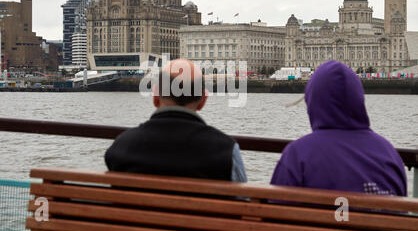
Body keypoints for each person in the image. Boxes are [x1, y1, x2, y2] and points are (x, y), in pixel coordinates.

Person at [271, 61, 407, 196]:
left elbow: (274, 209)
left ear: (313, 102)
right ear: (358, 98)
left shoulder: (297, 154)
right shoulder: (389, 153)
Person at [105, 59, 247, 182]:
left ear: (155, 97)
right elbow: (243, 202)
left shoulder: (121, 145)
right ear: (202, 101)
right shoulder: (227, 151)